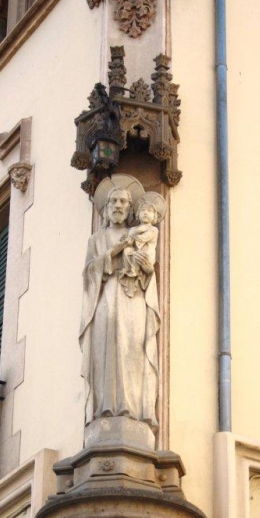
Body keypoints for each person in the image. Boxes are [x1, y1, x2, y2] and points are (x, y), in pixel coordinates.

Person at [79, 179, 163, 429]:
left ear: (130, 209)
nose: (118, 205)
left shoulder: (139, 234)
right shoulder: (96, 239)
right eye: (114, 201)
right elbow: (89, 273)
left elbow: (148, 266)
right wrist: (113, 252)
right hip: (106, 297)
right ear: (105, 208)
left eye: (124, 202)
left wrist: (148, 269)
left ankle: (133, 408)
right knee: (106, 349)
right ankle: (105, 408)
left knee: (131, 347)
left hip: (133, 296)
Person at [119, 196, 162, 298]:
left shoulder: (153, 229)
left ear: (154, 216)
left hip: (147, 256)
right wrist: (128, 238)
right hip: (135, 254)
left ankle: (137, 276)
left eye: (149, 211)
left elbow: (144, 238)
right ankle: (131, 272)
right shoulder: (134, 228)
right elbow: (128, 240)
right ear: (138, 215)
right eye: (142, 210)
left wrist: (133, 235)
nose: (145, 213)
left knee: (138, 255)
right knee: (126, 250)